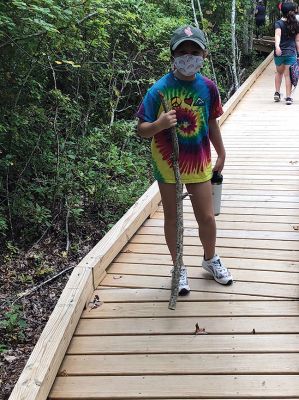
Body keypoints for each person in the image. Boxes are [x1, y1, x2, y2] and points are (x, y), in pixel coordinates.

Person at [136, 25, 233, 295]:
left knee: (207, 217)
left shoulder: (208, 87)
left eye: (194, 51)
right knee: (173, 218)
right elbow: (141, 130)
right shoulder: (159, 90)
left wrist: (221, 152)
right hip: (169, 165)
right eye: (182, 51)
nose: (188, 56)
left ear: (204, 54)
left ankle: (210, 258)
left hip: (200, 161)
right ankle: (178, 266)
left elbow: (211, 122)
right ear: (172, 55)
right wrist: (159, 124)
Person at [274, 2, 299, 104]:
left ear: (281, 11)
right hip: (291, 53)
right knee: (288, 75)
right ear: (293, 11)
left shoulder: (278, 23)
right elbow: (297, 41)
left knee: (279, 72)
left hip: (279, 54)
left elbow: (277, 35)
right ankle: (288, 97)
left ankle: (277, 93)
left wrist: (277, 46)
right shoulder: (296, 24)